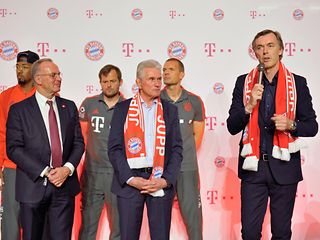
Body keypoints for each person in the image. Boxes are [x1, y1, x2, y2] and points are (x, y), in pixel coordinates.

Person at [227, 29, 318, 239]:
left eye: (270, 46)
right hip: (253, 170)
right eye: (259, 47)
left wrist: (291, 124)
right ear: (255, 54)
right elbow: (232, 126)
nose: (265, 51)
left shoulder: (298, 83)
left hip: (284, 168)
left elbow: (312, 126)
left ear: (281, 50)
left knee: (281, 232)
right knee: (249, 233)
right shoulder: (244, 83)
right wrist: (248, 105)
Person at [6, 58, 84, 240]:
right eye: (53, 75)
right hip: (33, 187)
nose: (59, 78)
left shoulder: (69, 106)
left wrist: (67, 169)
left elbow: (79, 143)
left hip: (64, 187)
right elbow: (14, 148)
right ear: (38, 79)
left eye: (59, 74)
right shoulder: (19, 110)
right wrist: (46, 171)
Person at [108, 59, 183, 240]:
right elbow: (115, 148)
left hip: (159, 181)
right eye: (151, 79)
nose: (158, 83)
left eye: (159, 78)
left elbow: (176, 149)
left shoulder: (170, 110)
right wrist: (131, 179)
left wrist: (165, 181)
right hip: (130, 183)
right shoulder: (122, 109)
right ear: (139, 83)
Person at [161, 58, 205, 240]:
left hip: (187, 167)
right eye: (164, 69)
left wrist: (181, 157)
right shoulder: (155, 99)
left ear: (181, 74)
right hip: (160, 169)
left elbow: (197, 136)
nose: (165, 73)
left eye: (170, 69)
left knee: (193, 219)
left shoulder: (194, 101)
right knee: (159, 220)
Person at [78, 64, 124, 240]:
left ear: (120, 82)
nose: (109, 85)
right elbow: (81, 136)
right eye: (105, 81)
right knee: (88, 226)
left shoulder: (129, 106)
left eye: (113, 81)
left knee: (119, 227)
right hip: (93, 173)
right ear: (100, 82)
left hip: (118, 175)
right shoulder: (89, 104)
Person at [0, 50, 39, 240]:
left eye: (24, 67)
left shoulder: (42, 95)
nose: (19, 71)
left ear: (34, 70)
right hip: (12, 166)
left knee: (35, 216)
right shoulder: (6, 96)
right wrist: (2, 163)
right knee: (10, 216)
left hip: (38, 168)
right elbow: (1, 133)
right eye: (17, 67)